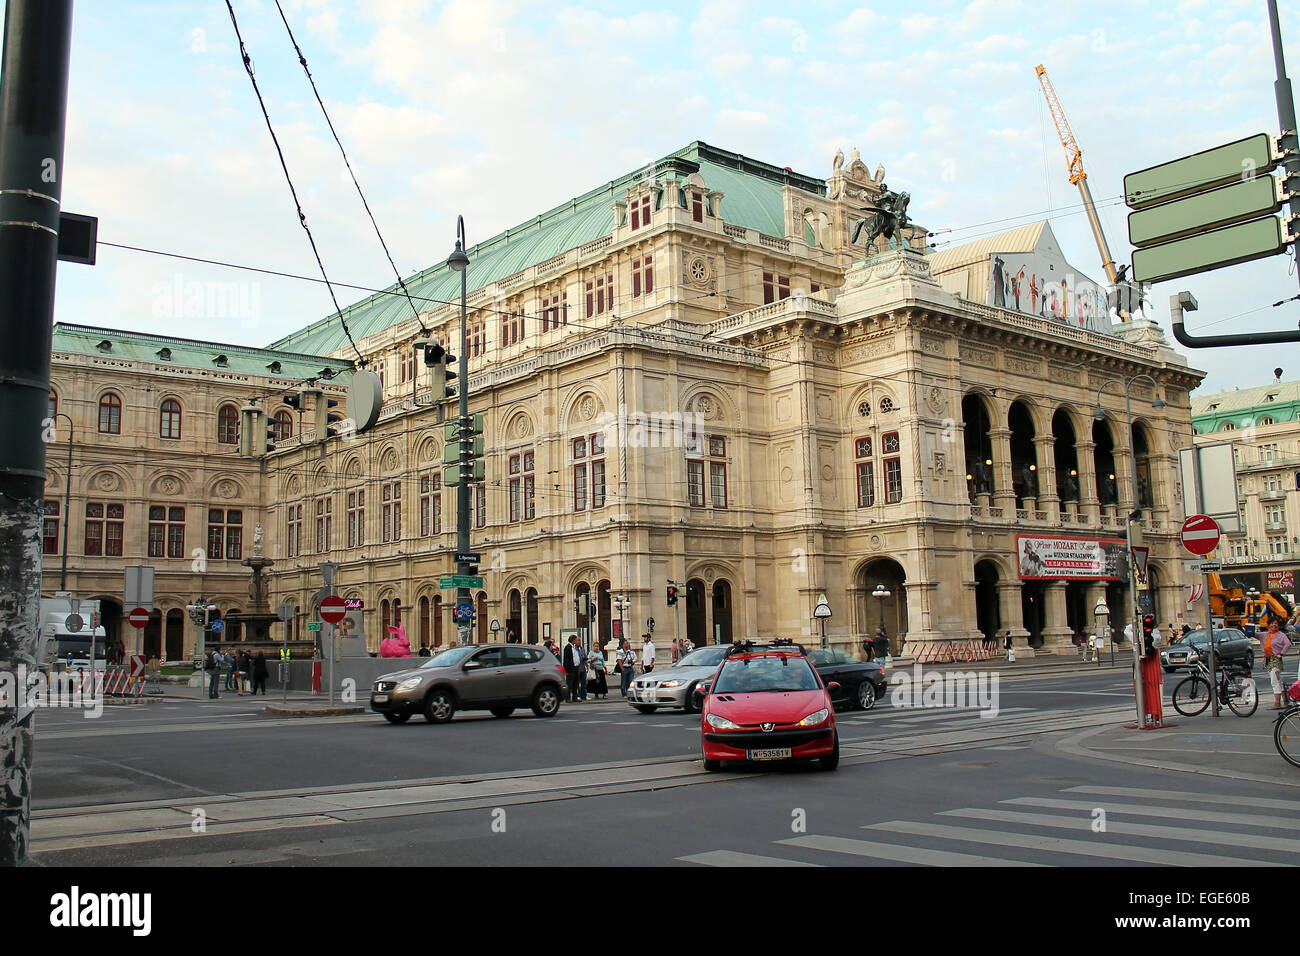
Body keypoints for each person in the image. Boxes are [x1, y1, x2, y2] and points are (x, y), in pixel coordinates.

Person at [1263, 616, 1292, 710]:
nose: (1274, 625)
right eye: (1272, 623)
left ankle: (1277, 703)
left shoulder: (1281, 635)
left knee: (1274, 681)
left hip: (1275, 660)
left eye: (1276, 623)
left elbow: (1288, 644)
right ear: (1268, 625)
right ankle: (1285, 701)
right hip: (1268, 659)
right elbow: (1253, 634)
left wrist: (1281, 653)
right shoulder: (1265, 634)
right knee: (1278, 680)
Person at [563, 636, 586, 702]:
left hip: (576, 667)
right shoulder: (568, 647)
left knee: (575, 684)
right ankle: (567, 698)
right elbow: (566, 660)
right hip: (570, 669)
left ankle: (574, 697)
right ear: (572, 640)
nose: (577, 641)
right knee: (569, 684)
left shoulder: (574, 647)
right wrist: (567, 670)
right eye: (576, 640)